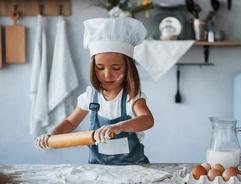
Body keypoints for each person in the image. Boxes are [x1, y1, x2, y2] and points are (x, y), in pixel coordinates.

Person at [35, 17, 154, 165]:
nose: (107, 75)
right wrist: (51, 136)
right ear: (93, 67)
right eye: (100, 67)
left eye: (116, 68)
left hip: (134, 169)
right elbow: (70, 122)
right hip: (98, 169)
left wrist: (118, 127)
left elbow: (147, 119)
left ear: (128, 68)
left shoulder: (132, 97)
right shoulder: (90, 97)